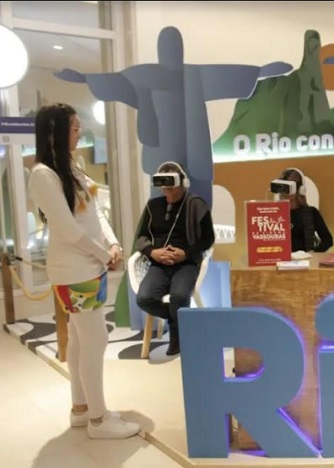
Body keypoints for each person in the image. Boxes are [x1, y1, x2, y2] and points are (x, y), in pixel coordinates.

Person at [28, 103, 141, 439]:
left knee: (80, 339)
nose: (79, 133)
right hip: (75, 270)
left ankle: (82, 408)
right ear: (54, 132)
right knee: (95, 339)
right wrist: (104, 255)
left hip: (90, 267)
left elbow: (95, 212)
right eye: (74, 128)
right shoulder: (43, 175)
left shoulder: (71, 167)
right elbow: (67, 229)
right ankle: (99, 419)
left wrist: (113, 244)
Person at [135, 161, 215, 356]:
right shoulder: (153, 206)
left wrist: (185, 253)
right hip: (158, 264)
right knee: (144, 299)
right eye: (163, 184)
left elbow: (208, 239)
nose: (166, 189)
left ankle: (176, 338)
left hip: (186, 264)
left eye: (171, 184)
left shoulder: (196, 205)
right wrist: (153, 252)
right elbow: (141, 237)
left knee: (179, 297)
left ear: (183, 183)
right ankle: (176, 320)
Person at [271, 168, 333, 253]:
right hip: (280, 258)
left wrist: (313, 252)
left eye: (289, 187)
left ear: (300, 189)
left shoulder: (311, 213)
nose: (285, 192)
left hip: (305, 259)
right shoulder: (272, 213)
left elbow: (328, 241)